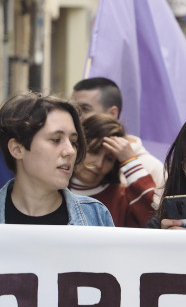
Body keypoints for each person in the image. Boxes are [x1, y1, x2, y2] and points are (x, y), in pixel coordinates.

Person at [0, 92, 113, 226]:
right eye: (56, 140)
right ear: (17, 149)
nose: (70, 151)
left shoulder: (95, 215)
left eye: (73, 142)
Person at [71, 77, 165, 201]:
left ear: (112, 114)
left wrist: (132, 165)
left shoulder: (150, 166)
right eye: (74, 109)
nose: (76, 116)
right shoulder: (65, 155)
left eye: (85, 109)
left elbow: (154, 216)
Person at [69, 114, 156, 228]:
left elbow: (154, 220)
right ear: (78, 146)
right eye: (94, 151)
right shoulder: (52, 188)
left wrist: (130, 161)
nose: (99, 164)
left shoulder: (121, 199)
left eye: (109, 159)